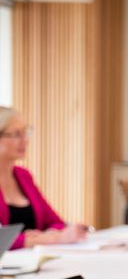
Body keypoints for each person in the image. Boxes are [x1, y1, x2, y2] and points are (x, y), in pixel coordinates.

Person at [0, 106, 88, 249]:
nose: (25, 140)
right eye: (16, 134)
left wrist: (50, 234)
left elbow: (56, 222)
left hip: (32, 260)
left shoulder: (23, 175)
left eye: (26, 132)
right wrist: (40, 240)